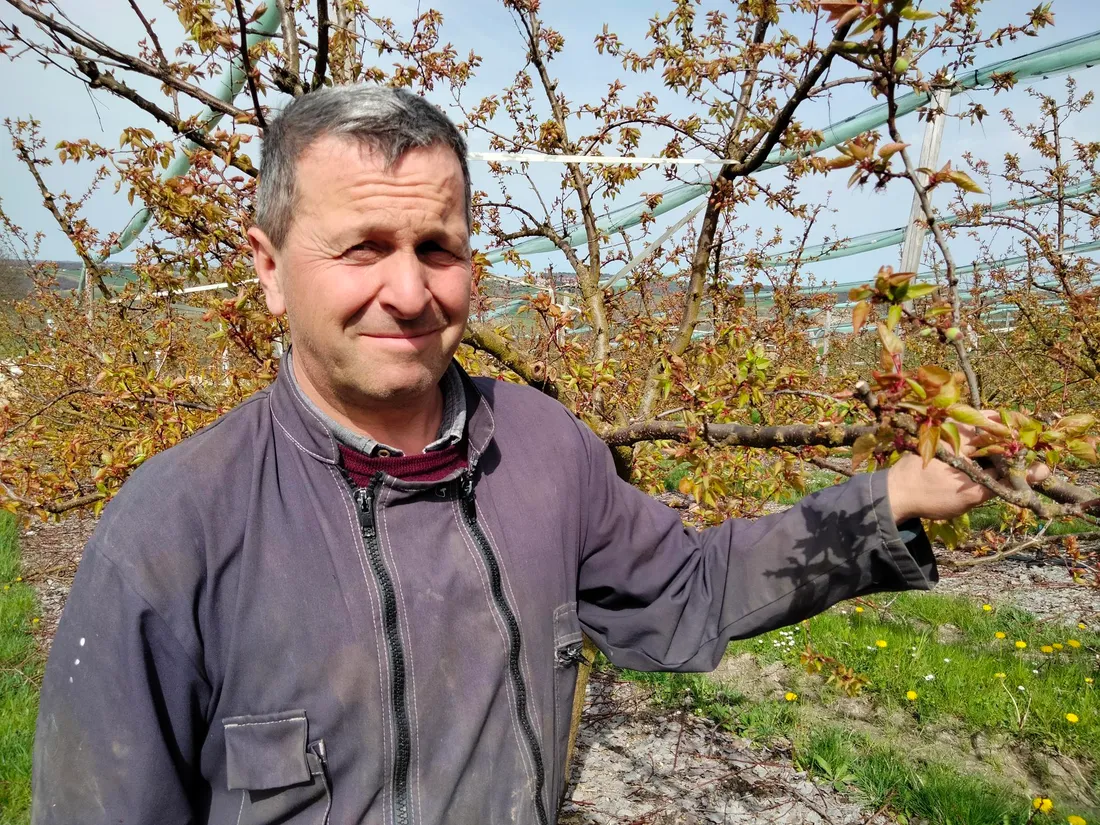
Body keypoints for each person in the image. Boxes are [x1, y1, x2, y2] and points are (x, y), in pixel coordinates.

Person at [31, 85, 1010, 825]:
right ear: (269, 267)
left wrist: (890, 497)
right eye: (362, 248)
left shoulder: (544, 448)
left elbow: (687, 591)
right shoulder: (175, 527)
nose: (409, 292)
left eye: (437, 248)